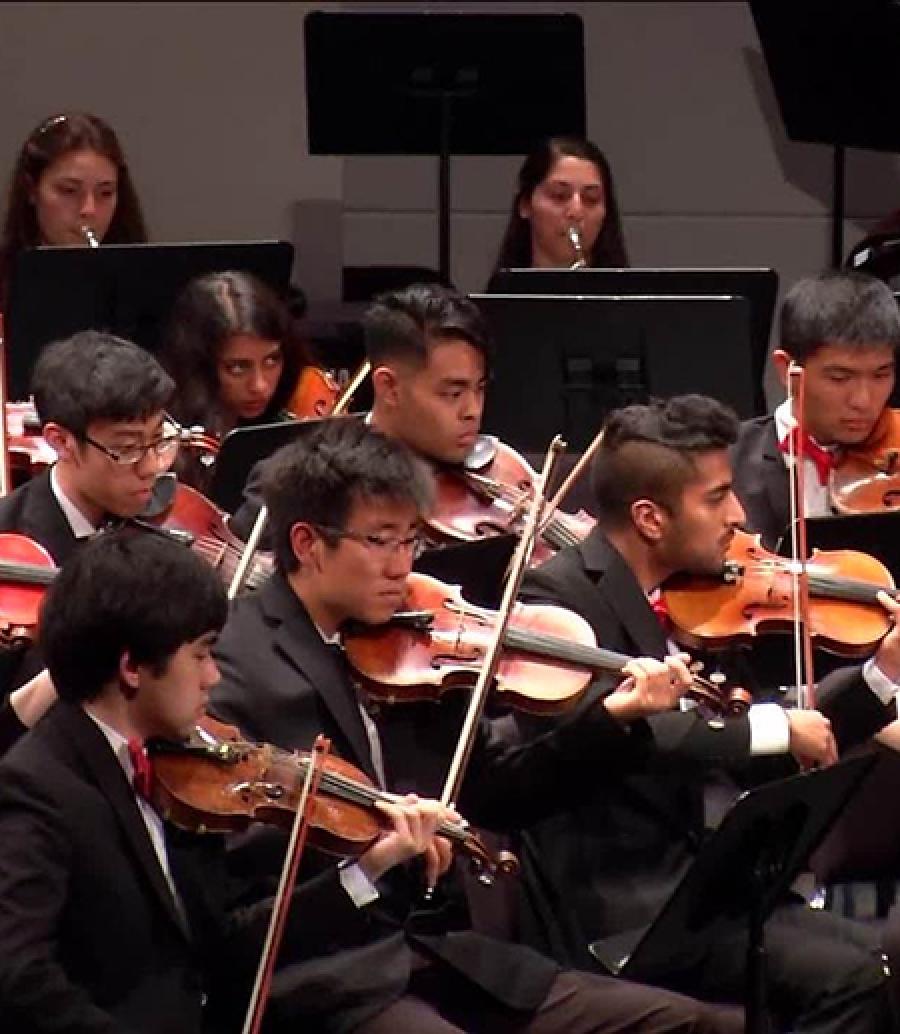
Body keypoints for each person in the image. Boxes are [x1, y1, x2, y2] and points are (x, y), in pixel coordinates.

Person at [211, 418, 741, 1034]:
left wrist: (611, 717)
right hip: (329, 976)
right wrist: (377, 855)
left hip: (441, 958)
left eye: (411, 540)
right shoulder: (237, 667)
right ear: (307, 543)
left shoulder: (412, 644)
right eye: (381, 541)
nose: (401, 566)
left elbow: (500, 789)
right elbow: (244, 884)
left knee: (689, 1024)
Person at [515, 394, 900, 1032]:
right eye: (717, 496)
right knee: (851, 978)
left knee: (874, 957)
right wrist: (777, 727)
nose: (740, 514)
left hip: (708, 882)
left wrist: (882, 670)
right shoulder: (562, 599)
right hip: (632, 907)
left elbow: (759, 723)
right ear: (649, 517)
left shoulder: (685, 596)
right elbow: (651, 735)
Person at [0, 528, 467, 1032]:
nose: (213, 678)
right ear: (132, 666)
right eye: (200, 655)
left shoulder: (173, 770)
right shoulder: (38, 786)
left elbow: (226, 944)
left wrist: (369, 867)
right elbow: (17, 976)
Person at [0, 329, 178, 695]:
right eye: (127, 448)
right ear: (60, 441)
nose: (151, 467)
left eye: (159, 439)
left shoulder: (162, 518)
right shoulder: (10, 538)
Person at [731, 270, 900, 551]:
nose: (863, 400)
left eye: (881, 375)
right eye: (840, 378)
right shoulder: (727, 462)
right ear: (787, 370)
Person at [158, 271, 309, 490]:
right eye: (238, 368)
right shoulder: (166, 448)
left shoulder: (285, 423)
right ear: (201, 367)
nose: (260, 386)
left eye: (271, 361)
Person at [0, 111, 147, 307]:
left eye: (105, 193)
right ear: (31, 190)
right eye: (69, 191)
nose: (89, 210)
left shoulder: (141, 282)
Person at [491, 136, 628, 277]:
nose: (576, 211)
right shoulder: (497, 296)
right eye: (559, 195)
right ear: (525, 203)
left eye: (591, 199)